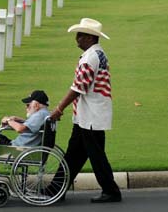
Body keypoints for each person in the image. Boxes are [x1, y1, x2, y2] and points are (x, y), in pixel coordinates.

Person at [49, 18, 121, 203]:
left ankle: (111, 191)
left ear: (90, 37)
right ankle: (56, 188)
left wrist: (59, 108)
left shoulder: (90, 58)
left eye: (80, 35)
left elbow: (78, 88)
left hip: (91, 116)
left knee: (96, 156)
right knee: (74, 154)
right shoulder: (98, 53)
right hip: (87, 115)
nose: (77, 38)